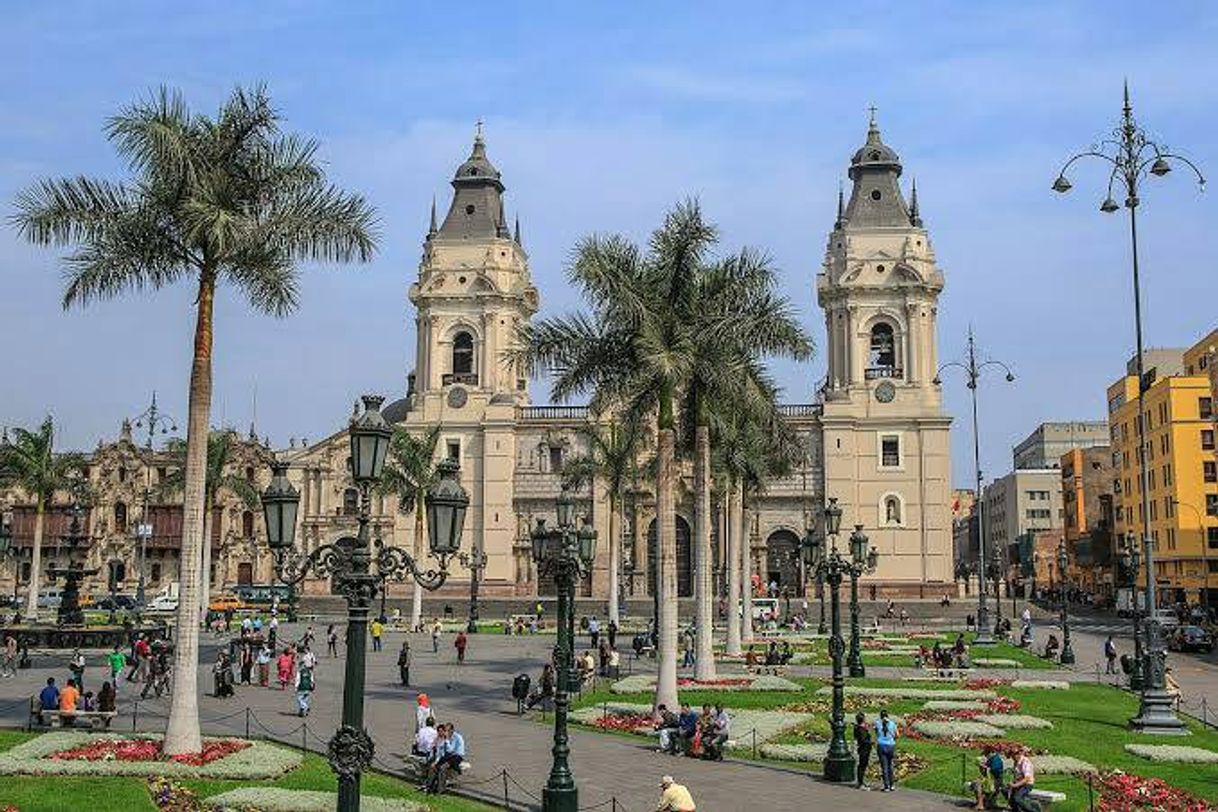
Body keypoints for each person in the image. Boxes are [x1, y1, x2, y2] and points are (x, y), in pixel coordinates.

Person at [426, 722, 465, 794]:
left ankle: (440, 789)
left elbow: (450, 750)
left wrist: (446, 739)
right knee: (434, 766)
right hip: (449, 756)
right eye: (445, 730)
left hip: (457, 756)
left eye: (447, 730)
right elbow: (441, 752)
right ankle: (429, 786)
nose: (445, 732)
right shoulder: (446, 737)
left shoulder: (456, 737)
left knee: (442, 768)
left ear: (452, 730)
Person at [874, 709, 898, 792]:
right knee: (890, 765)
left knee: (884, 766)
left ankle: (886, 786)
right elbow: (897, 735)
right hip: (891, 745)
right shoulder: (892, 724)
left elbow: (877, 733)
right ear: (887, 716)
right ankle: (892, 785)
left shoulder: (877, 723)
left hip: (881, 745)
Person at [1008, 746, 1036, 812]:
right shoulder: (1016, 762)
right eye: (1012, 754)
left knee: (1017, 798)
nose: (1013, 756)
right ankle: (1016, 809)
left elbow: (1027, 779)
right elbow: (1017, 774)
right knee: (1004, 790)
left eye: (1016, 754)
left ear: (1019, 753)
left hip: (1027, 785)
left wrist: (1015, 785)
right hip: (1019, 784)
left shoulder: (1025, 762)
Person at [853, 712, 872, 790]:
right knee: (862, 765)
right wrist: (870, 740)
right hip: (864, 748)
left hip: (863, 748)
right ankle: (860, 783)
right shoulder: (861, 729)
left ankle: (861, 782)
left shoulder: (858, 728)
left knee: (863, 765)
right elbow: (863, 739)